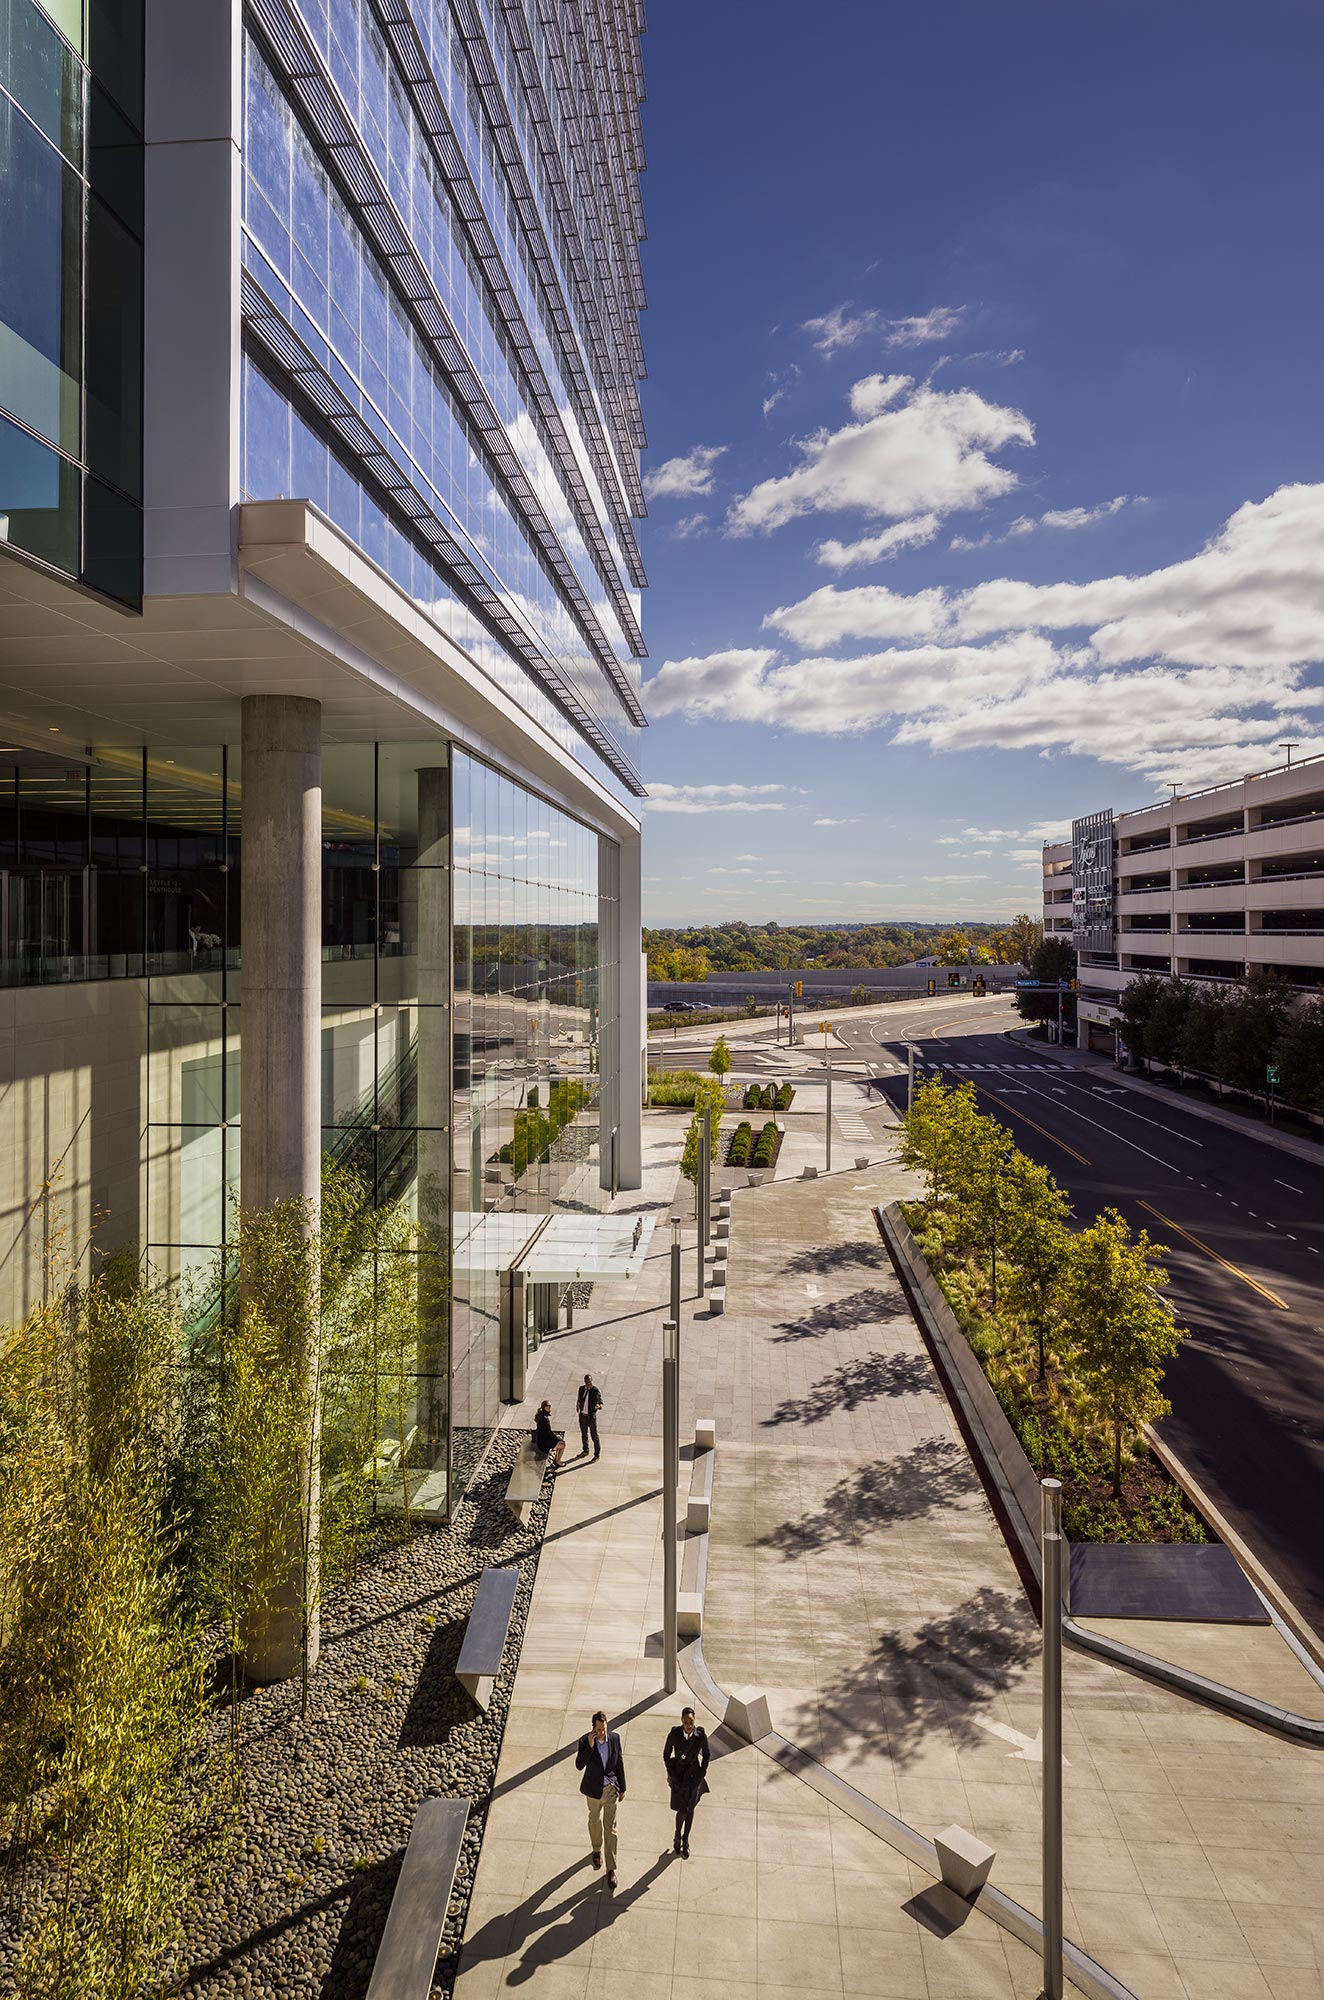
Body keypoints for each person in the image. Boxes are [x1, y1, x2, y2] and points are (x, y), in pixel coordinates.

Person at [575, 1709, 626, 1887]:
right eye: (599, 1730)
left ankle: (611, 1868)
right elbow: (579, 1765)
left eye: (604, 1728)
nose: (602, 1732)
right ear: (593, 1728)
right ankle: (596, 1849)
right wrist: (589, 1746)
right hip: (593, 1791)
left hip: (610, 1789)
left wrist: (622, 1788)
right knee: (594, 1820)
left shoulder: (615, 1739)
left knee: (610, 1829)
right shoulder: (584, 1741)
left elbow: (619, 1762)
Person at [663, 1706, 710, 1858]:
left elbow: (707, 1755)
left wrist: (701, 1773)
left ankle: (685, 1840)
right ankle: (677, 1835)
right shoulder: (675, 1734)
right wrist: (672, 1774)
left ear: (694, 1720)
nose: (688, 1726)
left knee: (690, 1809)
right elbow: (666, 1754)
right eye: (685, 1722)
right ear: (681, 1721)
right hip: (678, 1776)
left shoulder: (700, 1735)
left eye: (691, 1722)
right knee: (682, 1809)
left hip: (694, 1777)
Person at [577, 1373, 603, 1460]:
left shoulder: (595, 1390)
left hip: (591, 1417)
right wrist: (578, 1404)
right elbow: (579, 1399)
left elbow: (600, 1401)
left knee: (594, 1436)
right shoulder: (581, 1389)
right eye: (587, 1381)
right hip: (582, 1415)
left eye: (590, 1381)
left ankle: (596, 1454)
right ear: (584, 1381)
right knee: (584, 1434)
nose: (588, 1383)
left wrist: (598, 1405)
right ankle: (585, 1450)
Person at [533, 1399, 565, 1466]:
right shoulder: (544, 1418)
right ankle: (558, 1461)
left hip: (542, 1439)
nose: (550, 1407)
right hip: (544, 1442)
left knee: (561, 1442)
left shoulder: (541, 1415)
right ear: (545, 1407)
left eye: (550, 1406)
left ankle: (557, 1460)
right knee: (562, 1445)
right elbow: (548, 1432)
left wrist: (557, 1438)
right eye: (548, 1406)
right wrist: (556, 1438)